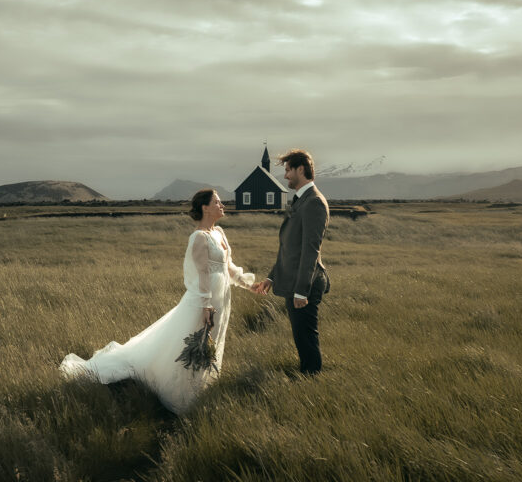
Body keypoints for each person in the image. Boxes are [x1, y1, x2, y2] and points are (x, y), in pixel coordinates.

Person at [59, 190, 255, 414]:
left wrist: (249, 284)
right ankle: (182, 395)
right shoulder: (199, 237)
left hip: (221, 300)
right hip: (203, 303)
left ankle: (200, 386)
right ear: (205, 208)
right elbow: (201, 273)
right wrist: (206, 305)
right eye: (217, 202)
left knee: (210, 343)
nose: (223, 205)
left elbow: (228, 267)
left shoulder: (219, 233)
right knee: (191, 344)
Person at [253, 149, 330, 375]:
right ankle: (308, 375)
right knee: (300, 337)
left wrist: (302, 291)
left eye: (288, 170)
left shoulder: (314, 202)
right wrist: (271, 277)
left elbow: (310, 251)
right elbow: (289, 248)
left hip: (304, 284)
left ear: (300, 169)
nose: (285, 176)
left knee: (306, 338)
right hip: (293, 281)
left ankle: (311, 379)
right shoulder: (301, 200)